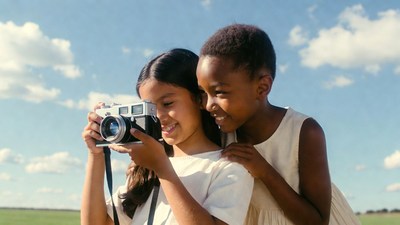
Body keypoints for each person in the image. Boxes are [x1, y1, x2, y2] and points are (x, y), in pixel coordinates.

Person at [196, 24, 361, 225]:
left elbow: (317, 221)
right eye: (203, 93)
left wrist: (264, 171)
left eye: (219, 92)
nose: (208, 105)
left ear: (262, 87)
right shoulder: (219, 133)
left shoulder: (305, 132)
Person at [81, 48, 254, 225]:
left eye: (167, 103)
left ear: (199, 98)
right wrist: (96, 155)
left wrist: (162, 169)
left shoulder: (229, 169)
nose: (159, 116)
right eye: (149, 108)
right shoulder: (145, 169)